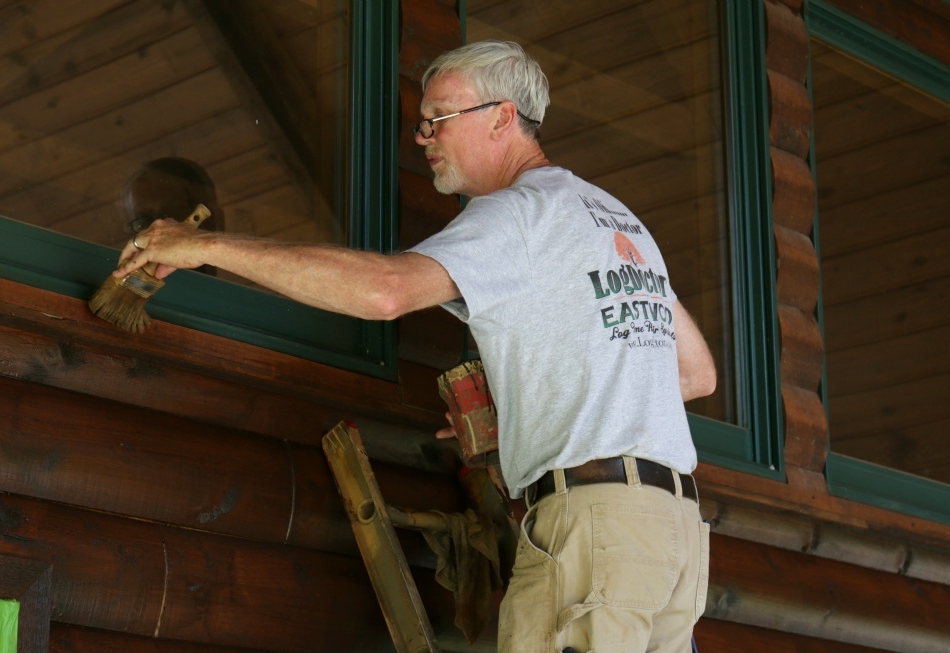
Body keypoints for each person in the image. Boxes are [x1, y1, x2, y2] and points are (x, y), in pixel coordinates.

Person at [114, 40, 716, 653]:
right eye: (421, 122)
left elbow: (385, 292)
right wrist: (535, 410)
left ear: (502, 117)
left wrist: (207, 248)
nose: (423, 136)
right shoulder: (616, 221)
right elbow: (694, 374)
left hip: (595, 533)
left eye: (439, 119)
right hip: (673, 539)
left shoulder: (517, 214)